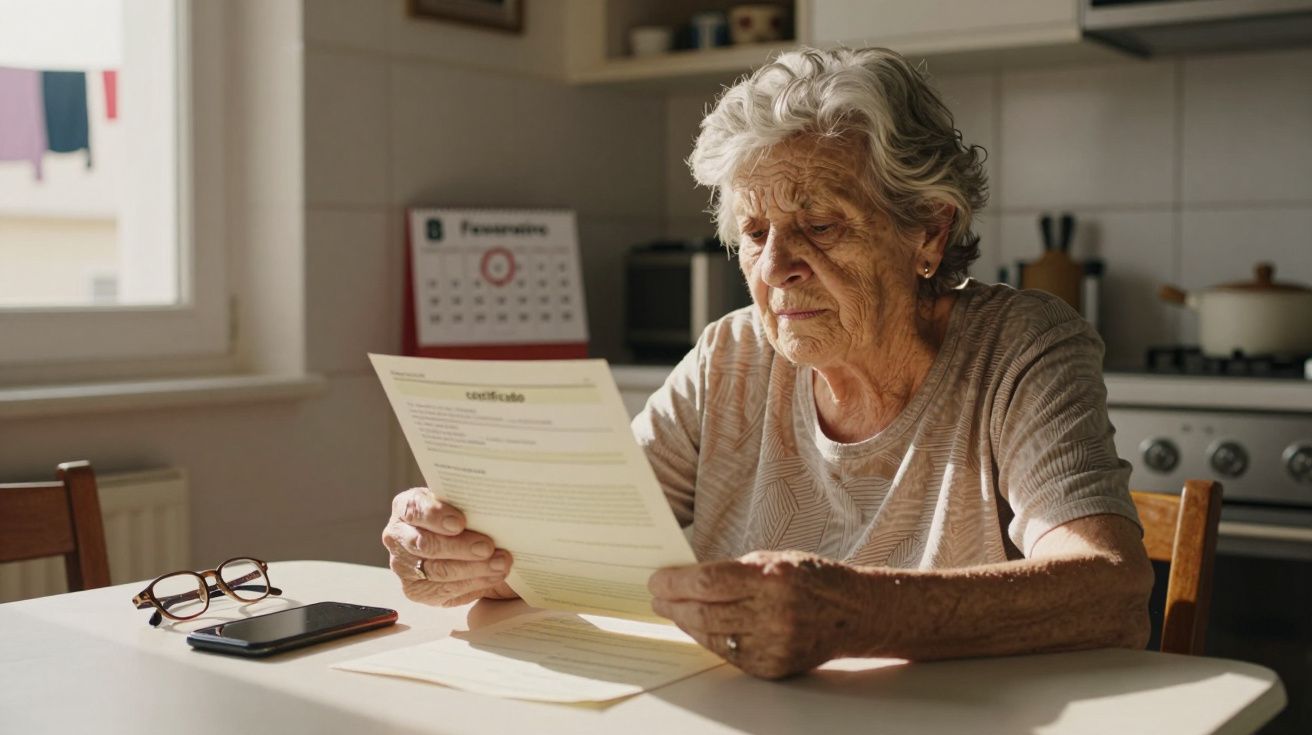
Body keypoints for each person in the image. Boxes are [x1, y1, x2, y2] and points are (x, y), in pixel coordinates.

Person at [381, 47, 1153, 680]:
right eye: (754, 233)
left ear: (928, 232)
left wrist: (855, 615)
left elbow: (1109, 590)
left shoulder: (1020, 348)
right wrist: (469, 554)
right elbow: (580, 537)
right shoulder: (732, 354)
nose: (776, 267)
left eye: (818, 224)